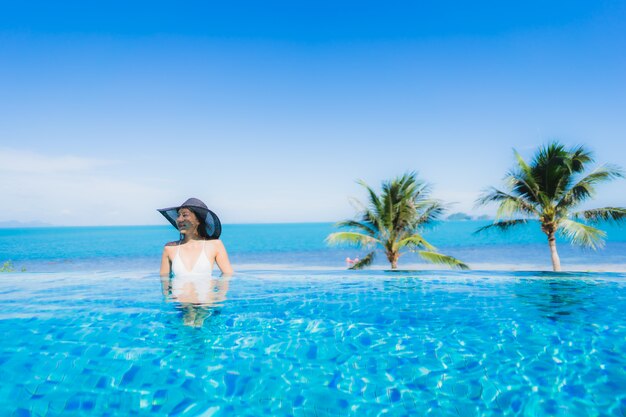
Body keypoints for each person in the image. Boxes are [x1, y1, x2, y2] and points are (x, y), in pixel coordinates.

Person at [158, 198, 233, 305]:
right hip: (180, 305)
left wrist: (219, 298)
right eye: (178, 215)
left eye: (185, 215)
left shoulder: (215, 245)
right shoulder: (169, 248)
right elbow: (164, 281)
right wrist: (168, 302)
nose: (179, 219)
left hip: (207, 304)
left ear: (198, 220)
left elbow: (227, 275)